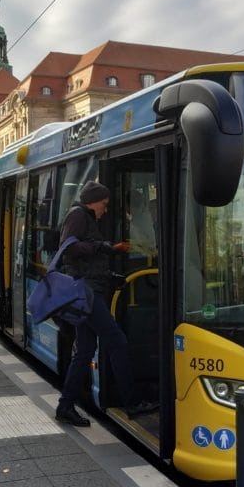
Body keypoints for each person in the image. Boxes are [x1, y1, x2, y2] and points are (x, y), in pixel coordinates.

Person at [55, 180, 157, 427]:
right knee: (117, 341)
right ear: (93, 201)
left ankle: (65, 406)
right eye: (104, 203)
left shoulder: (85, 217)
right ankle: (131, 402)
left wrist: (110, 258)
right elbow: (68, 248)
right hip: (87, 293)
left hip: (91, 289)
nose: (106, 209)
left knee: (85, 352)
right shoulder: (79, 215)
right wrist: (104, 247)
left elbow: (87, 256)